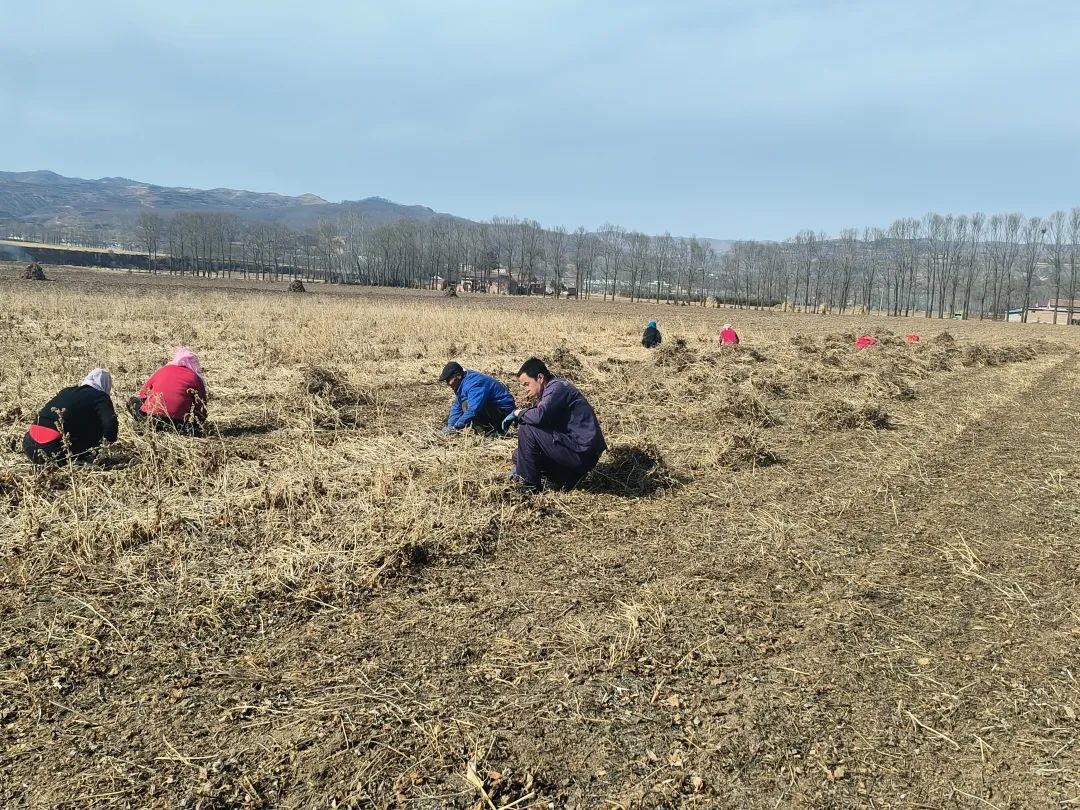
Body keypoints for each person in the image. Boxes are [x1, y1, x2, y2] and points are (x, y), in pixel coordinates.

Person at [502, 357, 606, 491]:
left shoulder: (557, 388)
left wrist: (518, 413)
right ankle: (567, 479)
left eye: (527, 384)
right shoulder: (549, 392)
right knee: (520, 455)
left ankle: (529, 485)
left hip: (583, 452)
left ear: (540, 377)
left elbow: (539, 416)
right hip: (573, 450)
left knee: (527, 428)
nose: (525, 390)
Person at [23, 368, 118, 464]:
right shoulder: (101, 397)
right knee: (97, 426)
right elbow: (110, 425)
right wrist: (104, 447)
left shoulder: (67, 391)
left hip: (29, 445)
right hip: (54, 451)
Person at [127, 347, 208, 433]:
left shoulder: (162, 370)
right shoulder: (195, 378)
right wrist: (197, 427)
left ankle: (143, 424)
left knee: (132, 401)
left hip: (149, 419)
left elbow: (143, 394)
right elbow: (201, 408)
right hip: (177, 425)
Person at [439, 361, 515, 435]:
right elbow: (457, 407)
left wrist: (456, 427)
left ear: (458, 375)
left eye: (448, 380)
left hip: (503, 411)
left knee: (466, 405)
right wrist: (450, 426)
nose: (448, 384)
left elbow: (473, 410)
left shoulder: (473, 383)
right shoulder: (462, 384)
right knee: (464, 405)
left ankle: (490, 431)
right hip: (492, 408)